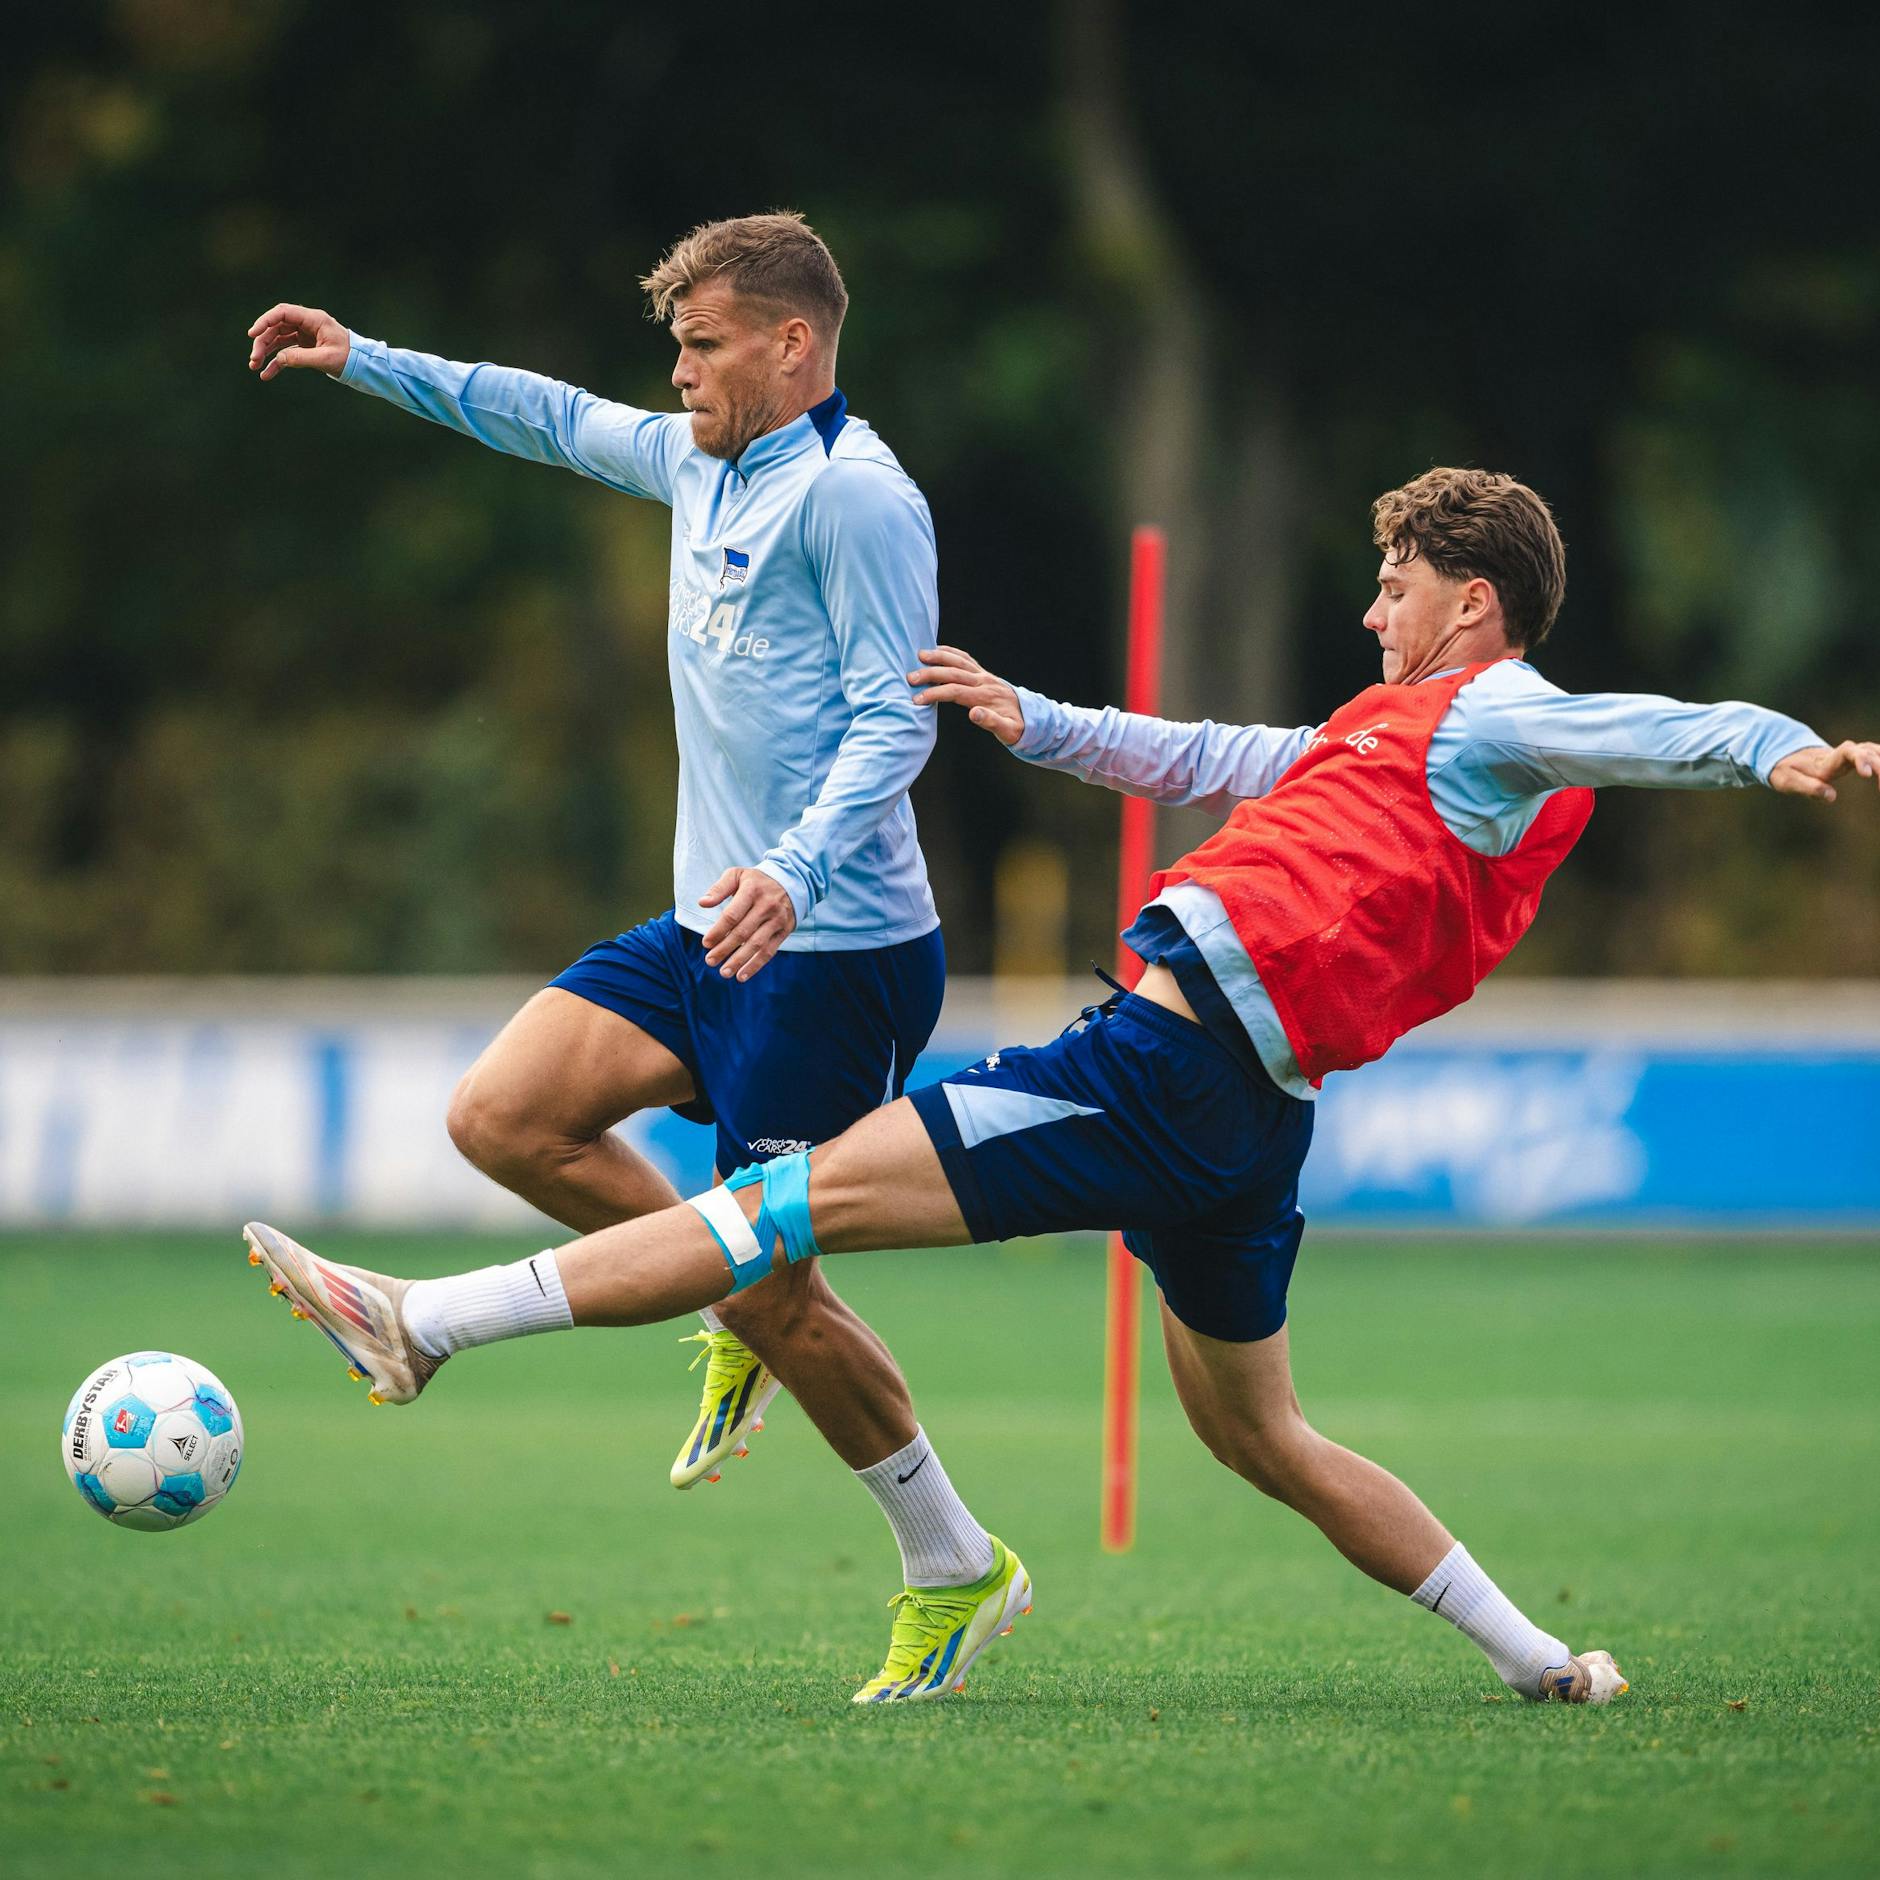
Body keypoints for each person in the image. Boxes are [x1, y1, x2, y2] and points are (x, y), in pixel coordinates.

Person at [242, 466, 1878, 1706]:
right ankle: (1543, 1667)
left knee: (771, 1209)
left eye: (1395, 585)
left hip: (1159, 1072)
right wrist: (1036, 722)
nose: (1373, 609)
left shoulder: (1499, 712)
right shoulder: (1396, 731)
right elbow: (1209, 757)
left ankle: (426, 1324)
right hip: (1249, 1122)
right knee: (1266, 1438)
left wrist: (1776, 749)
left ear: (1470, 603)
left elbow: (1654, 723)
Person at [242, 212, 1023, 1705]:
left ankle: (955, 1565)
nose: (678, 375)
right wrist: (362, 360)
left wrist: (793, 874)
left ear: (793, 346)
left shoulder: (859, 500)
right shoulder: (693, 457)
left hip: (831, 948)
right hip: (704, 926)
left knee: (774, 1286)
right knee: (504, 1117)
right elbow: (538, 412)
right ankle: (729, 1290)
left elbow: (895, 718)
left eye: (705, 345)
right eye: (676, 347)